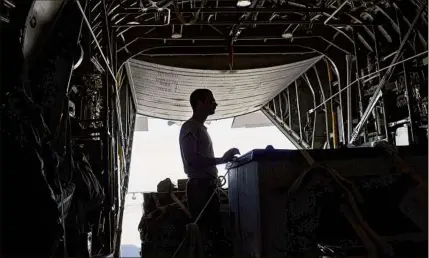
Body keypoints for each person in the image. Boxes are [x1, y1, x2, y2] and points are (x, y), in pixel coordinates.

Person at [179, 88, 239, 254]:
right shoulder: (190, 126)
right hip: (200, 189)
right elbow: (192, 159)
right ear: (199, 104)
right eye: (211, 100)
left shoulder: (198, 128)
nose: (215, 103)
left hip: (207, 187)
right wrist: (222, 159)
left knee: (211, 235)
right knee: (205, 236)